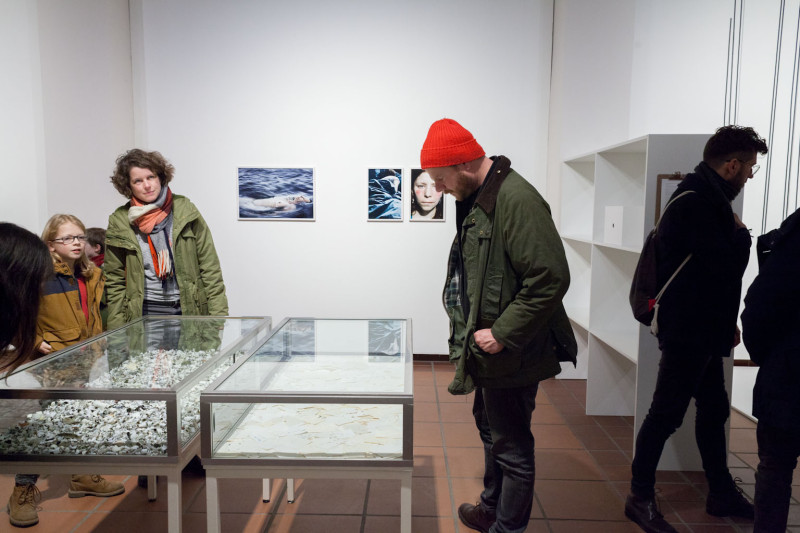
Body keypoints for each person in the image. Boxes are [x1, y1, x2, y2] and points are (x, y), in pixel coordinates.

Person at [420, 118, 576, 533]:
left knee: (513, 446)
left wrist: (503, 333)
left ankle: (508, 528)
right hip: (489, 349)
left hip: (510, 349)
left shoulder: (517, 200)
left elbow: (550, 277)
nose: (437, 189)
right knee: (492, 430)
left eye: (440, 179)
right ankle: (492, 507)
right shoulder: (481, 197)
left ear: (464, 165)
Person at [625, 125, 769, 533]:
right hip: (689, 332)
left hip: (702, 328)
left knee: (714, 409)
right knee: (665, 414)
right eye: (750, 169)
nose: (749, 177)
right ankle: (639, 497)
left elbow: (710, 278)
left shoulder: (703, 197)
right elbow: (721, 270)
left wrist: (725, 325)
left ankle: (720, 491)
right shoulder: (699, 203)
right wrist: (742, 238)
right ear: (732, 165)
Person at [9, 214, 124, 528]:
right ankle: (22, 488)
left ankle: (81, 474)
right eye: (68, 238)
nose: (77, 243)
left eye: (80, 237)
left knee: (83, 417)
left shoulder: (93, 274)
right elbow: (15, 312)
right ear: (50, 244)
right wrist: (34, 341)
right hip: (50, 364)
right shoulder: (39, 276)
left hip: (86, 359)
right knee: (40, 426)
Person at [105, 149, 229, 329]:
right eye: (138, 181)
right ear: (128, 186)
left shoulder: (185, 210)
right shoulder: (120, 221)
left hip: (188, 308)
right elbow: (114, 280)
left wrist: (218, 317)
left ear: (161, 177)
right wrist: (116, 330)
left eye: (151, 177)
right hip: (144, 312)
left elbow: (210, 268)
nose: (147, 185)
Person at [740, 207, 800, 532]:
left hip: (790, 374)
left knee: (776, 466)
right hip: (788, 370)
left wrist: (767, 354)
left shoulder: (795, 234)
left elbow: (762, 303)